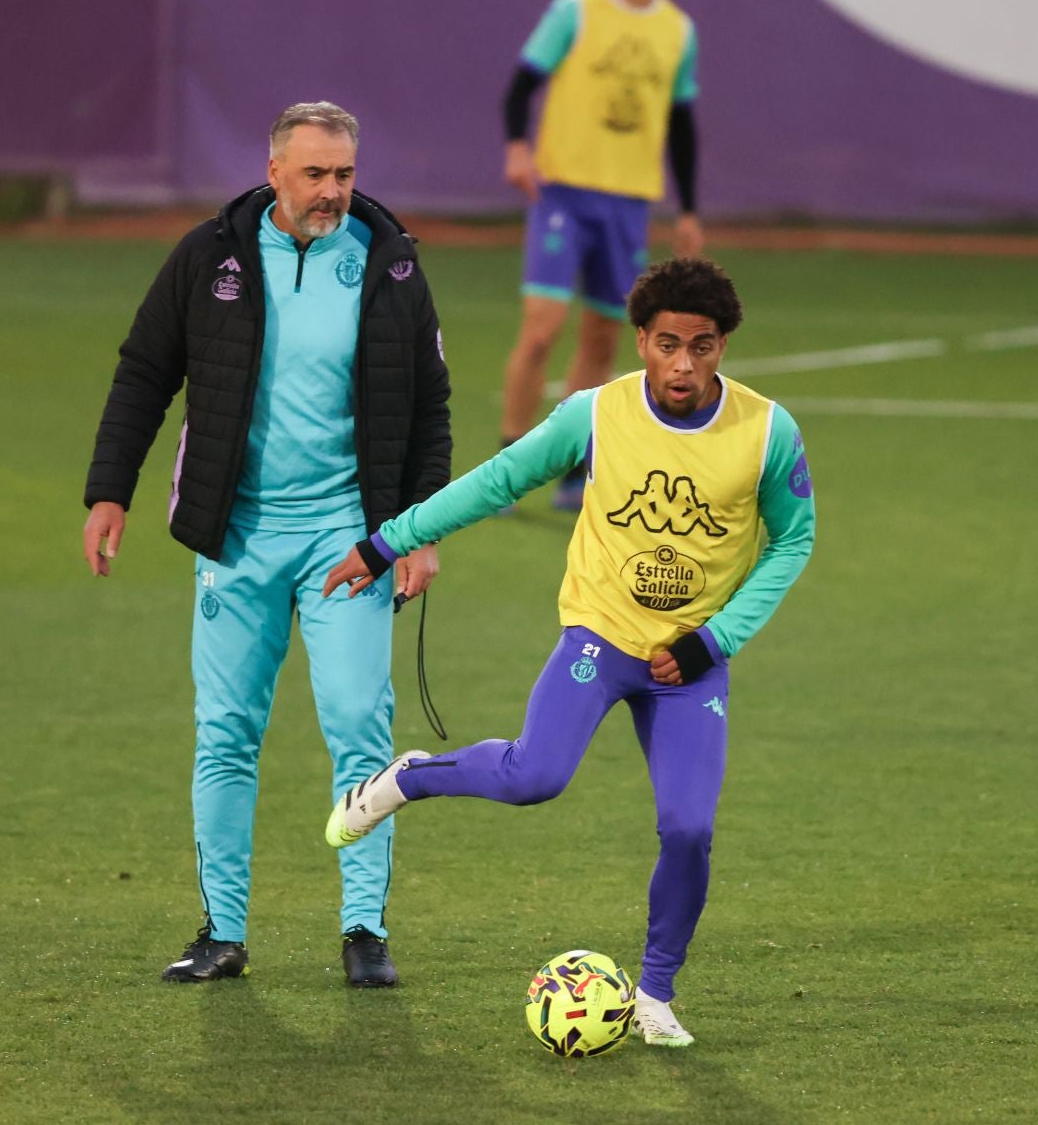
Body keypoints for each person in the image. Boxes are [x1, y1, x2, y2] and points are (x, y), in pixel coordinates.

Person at [321, 258, 813, 1046]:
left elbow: (795, 541)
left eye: (703, 345)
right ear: (641, 340)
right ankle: (410, 777)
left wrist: (713, 640)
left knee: (689, 828)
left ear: (724, 345)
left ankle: (655, 992)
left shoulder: (766, 433)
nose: (683, 364)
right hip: (600, 634)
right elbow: (496, 481)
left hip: (690, 663)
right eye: (666, 344)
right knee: (534, 777)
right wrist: (388, 543)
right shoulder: (595, 414)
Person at [82, 102, 450, 988]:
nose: (334, 192)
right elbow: (143, 370)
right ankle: (222, 931)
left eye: (346, 174)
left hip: (348, 543)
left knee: (360, 725)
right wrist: (109, 489)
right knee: (226, 733)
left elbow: (429, 403)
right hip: (237, 534)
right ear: (275, 171)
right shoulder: (210, 258)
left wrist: (419, 530)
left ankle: (364, 928)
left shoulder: (389, 263)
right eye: (317, 174)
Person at [499, 0, 704, 511]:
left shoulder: (678, 31)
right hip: (563, 193)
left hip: (628, 203)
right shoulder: (576, 10)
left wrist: (687, 209)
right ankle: (511, 456)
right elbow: (521, 84)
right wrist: (517, 148)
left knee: (603, 333)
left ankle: (575, 465)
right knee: (541, 329)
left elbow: (683, 124)